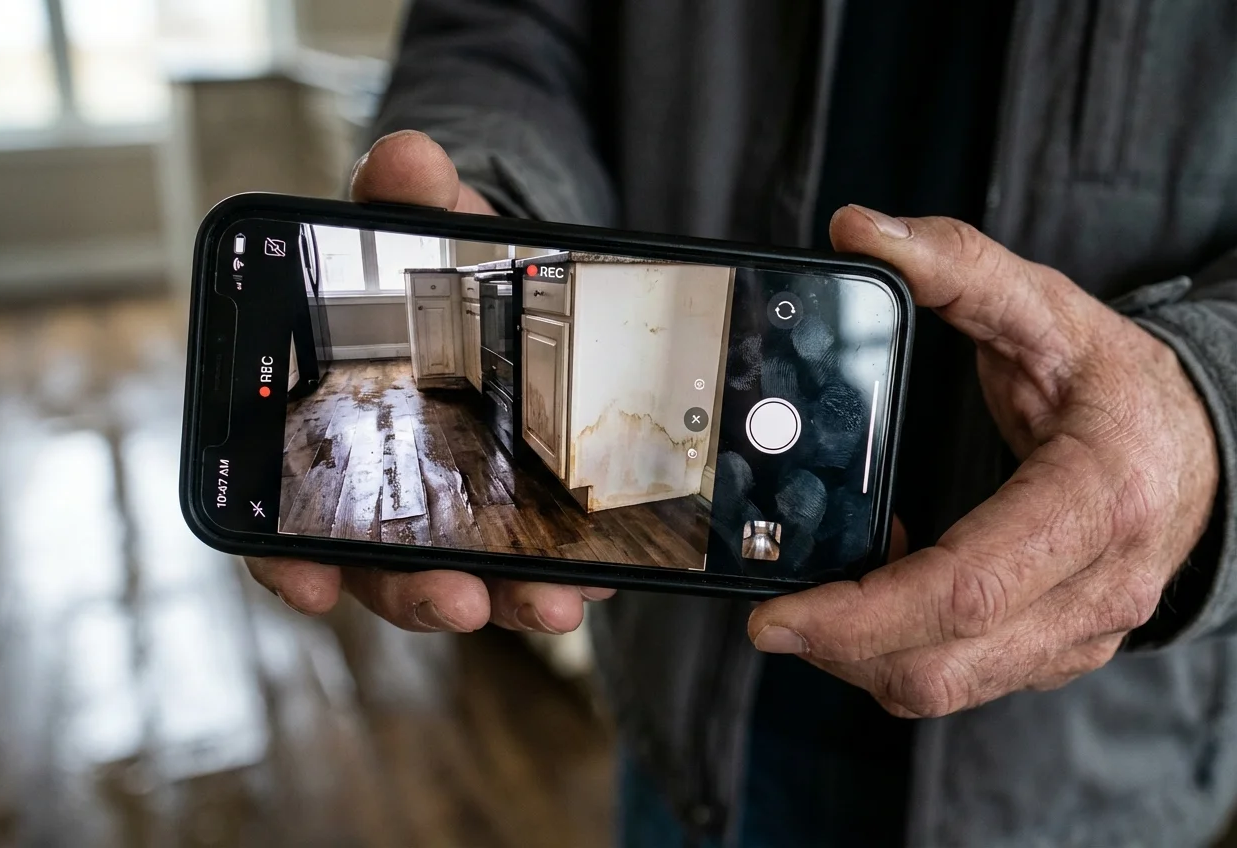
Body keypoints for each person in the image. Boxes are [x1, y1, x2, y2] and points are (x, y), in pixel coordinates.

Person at [247, 1, 1237, 845]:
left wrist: (1206, 409)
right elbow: (504, 30)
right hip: (691, 717)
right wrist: (496, 212)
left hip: (1088, 774)